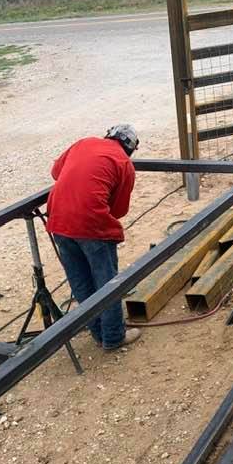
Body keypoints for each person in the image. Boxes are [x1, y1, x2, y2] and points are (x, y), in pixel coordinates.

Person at [46, 125, 143, 351]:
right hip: (91, 225)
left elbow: (56, 172)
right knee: (106, 282)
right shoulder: (124, 164)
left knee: (80, 281)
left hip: (59, 221)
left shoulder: (84, 142)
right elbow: (118, 210)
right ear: (130, 148)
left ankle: (98, 333)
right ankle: (113, 337)